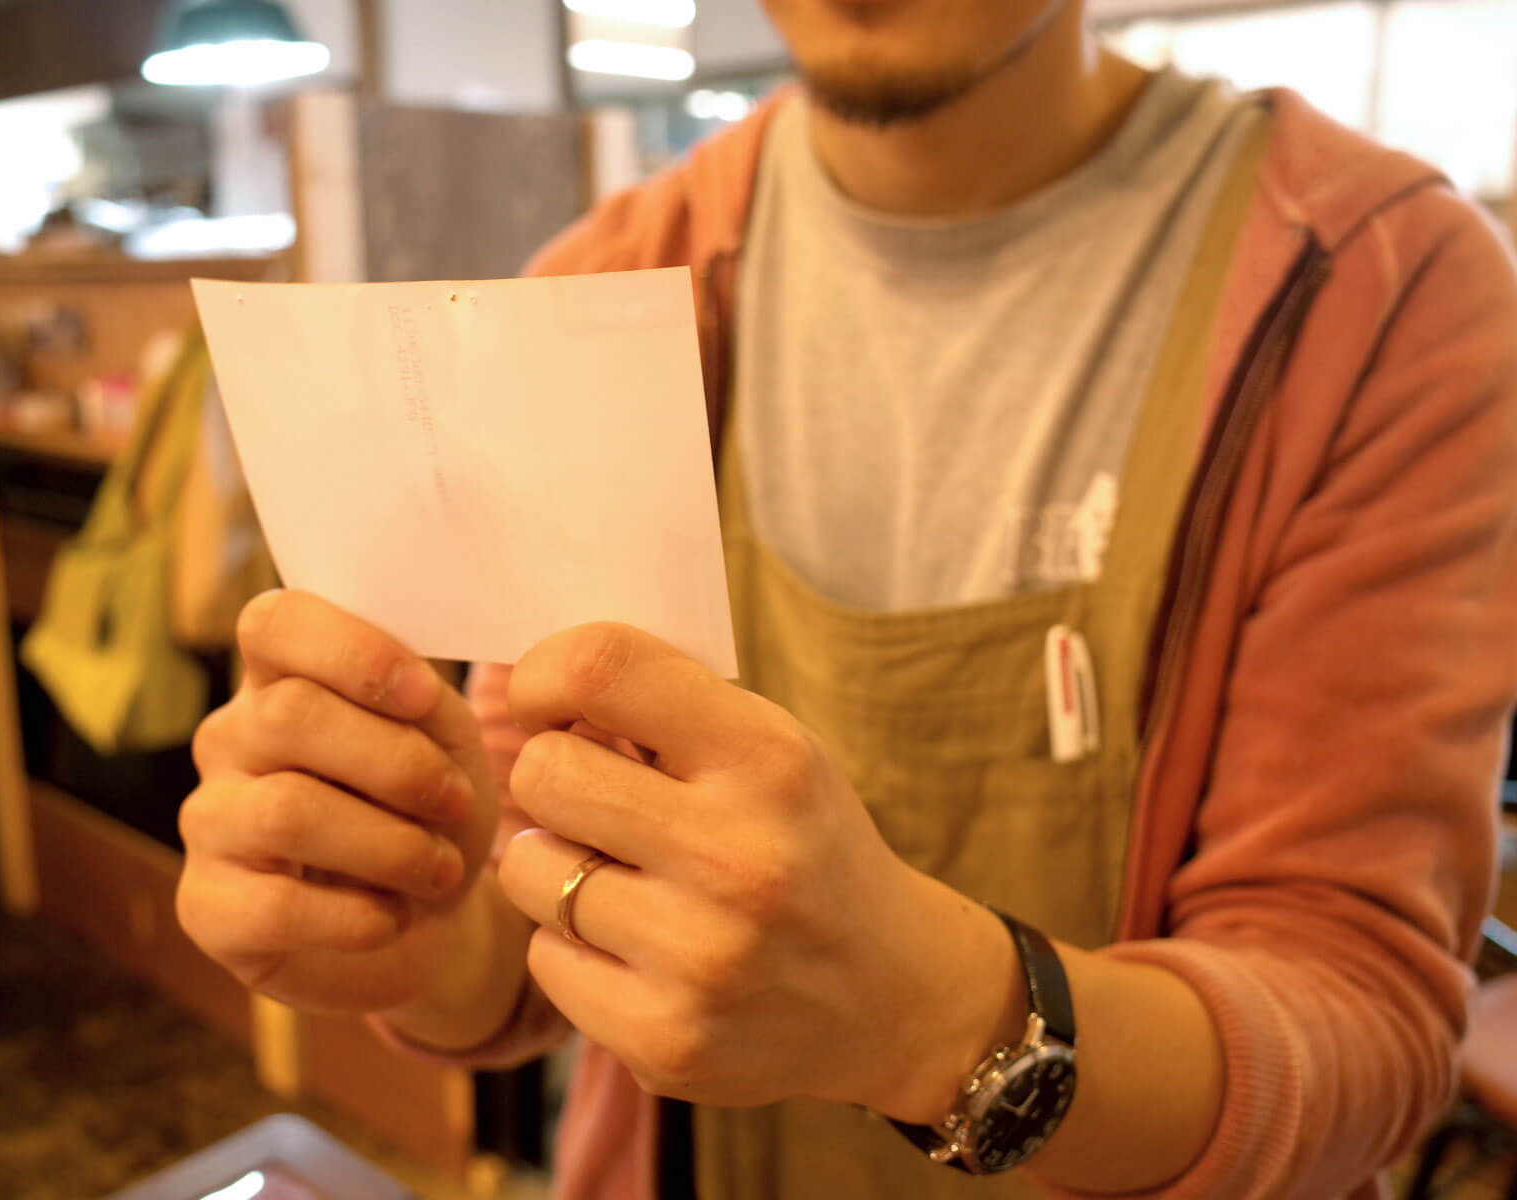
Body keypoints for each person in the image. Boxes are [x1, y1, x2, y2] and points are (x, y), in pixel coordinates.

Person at [174, 0, 1517, 1196]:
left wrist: (934, 1021)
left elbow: (1366, 1017)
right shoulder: (612, 281)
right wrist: (418, 917)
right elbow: (528, 919)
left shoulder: (1376, 290)